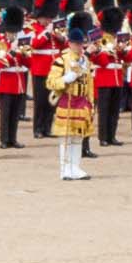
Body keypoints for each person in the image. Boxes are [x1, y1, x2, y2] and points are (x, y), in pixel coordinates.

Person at [48, 14, 96, 181]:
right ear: (69, 43)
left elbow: (89, 82)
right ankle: (65, 169)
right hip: (67, 101)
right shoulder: (61, 60)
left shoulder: (85, 61)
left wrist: (91, 101)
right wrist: (66, 79)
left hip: (81, 102)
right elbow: (51, 82)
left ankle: (75, 167)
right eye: (76, 44)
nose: (79, 47)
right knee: (66, 138)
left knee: (78, 138)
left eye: (81, 44)